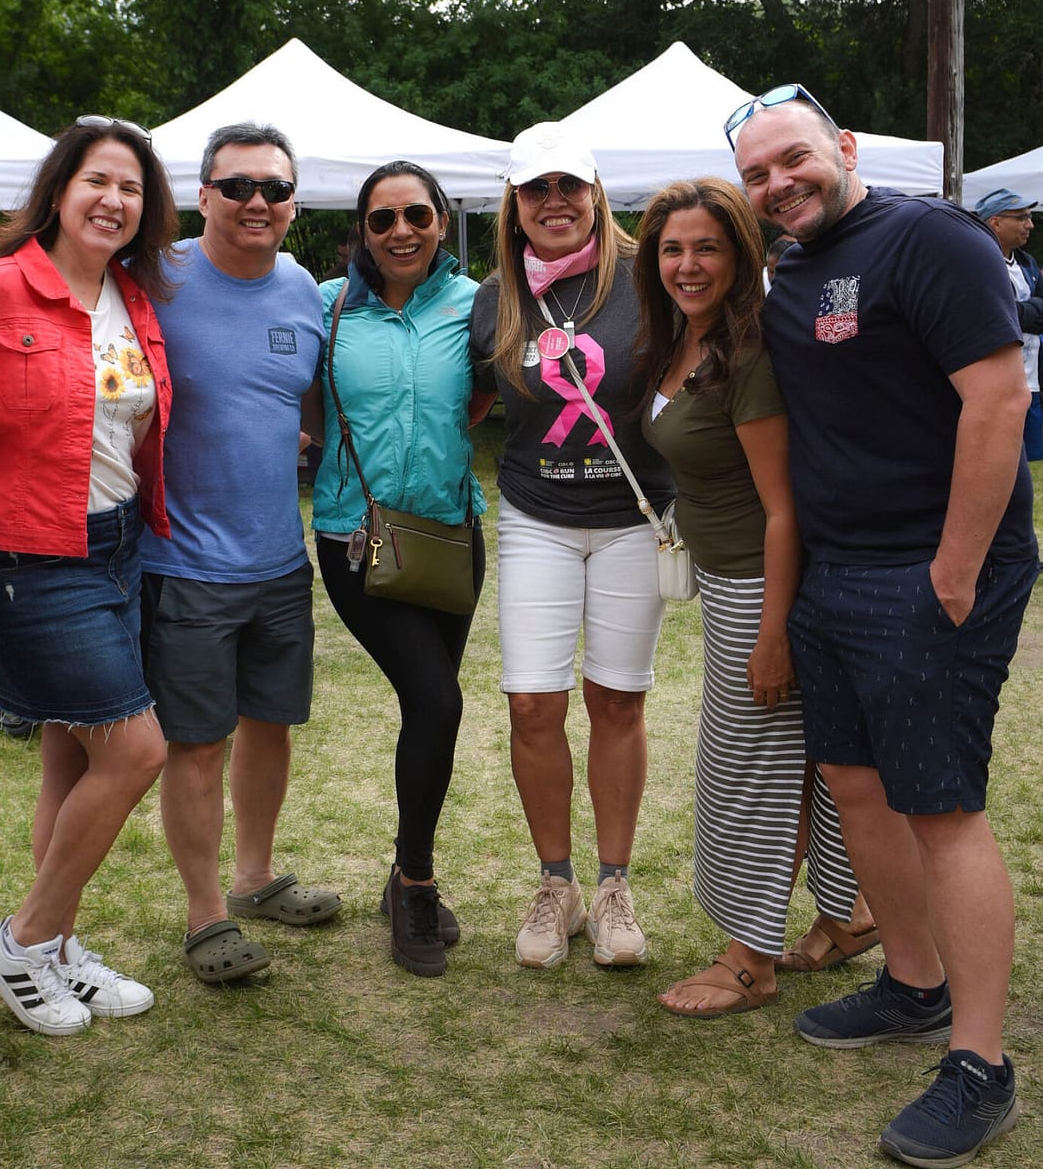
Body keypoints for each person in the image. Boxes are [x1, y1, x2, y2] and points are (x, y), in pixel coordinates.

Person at [730, 84, 1038, 1169]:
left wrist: (953, 570)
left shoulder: (930, 238)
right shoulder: (791, 270)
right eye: (758, 174)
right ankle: (912, 982)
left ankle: (981, 1065)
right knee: (856, 784)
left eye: (793, 159)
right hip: (835, 571)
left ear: (845, 147)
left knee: (941, 807)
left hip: (929, 570)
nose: (779, 183)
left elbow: (998, 399)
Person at [0, 118, 174, 1036]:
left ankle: (60, 948)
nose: (113, 200)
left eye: (132, 188)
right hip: (29, 556)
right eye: (97, 181)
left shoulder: (133, 298)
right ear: (59, 190)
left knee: (71, 757)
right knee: (137, 750)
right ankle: (24, 939)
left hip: (118, 546)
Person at [633, 178, 863, 1016]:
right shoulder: (687, 340)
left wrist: (773, 635)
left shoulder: (748, 352)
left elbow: (782, 508)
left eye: (708, 247)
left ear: (742, 254)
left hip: (764, 587)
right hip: (734, 581)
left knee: (751, 772)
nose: (688, 265)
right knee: (799, 764)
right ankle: (851, 914)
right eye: (672, 249)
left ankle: (749, 961)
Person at [469, 119, 672, 972]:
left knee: (617, 701)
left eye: (568, 185)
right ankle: (558, 885)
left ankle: (615, 885)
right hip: (536, 515)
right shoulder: (496, 296)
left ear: (595, 193)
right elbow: (468, 402)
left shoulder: (648, 277)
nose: (554, 201)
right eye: (535, 189)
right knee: (532, 703)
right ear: (514, 204)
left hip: (633, 518)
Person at [142, 123, 339, 983]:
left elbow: (309, 402)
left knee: (271, 724)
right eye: (238, 186)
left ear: (293, 203)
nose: (257, 202)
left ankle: (256, 878)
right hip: (183, 564)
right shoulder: (155, 277)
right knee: (196, 743)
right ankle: (205, 916)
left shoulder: (303, 290)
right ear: (202, 194)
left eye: (275, 188)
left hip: (278, 562)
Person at [310, 161, 486, 977]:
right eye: (382, 219)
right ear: (363, 231)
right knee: (437, 699)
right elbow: (297, 399)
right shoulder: (326, 305)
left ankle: (403, 872)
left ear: (442, 221)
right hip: (357, 538)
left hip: (450, 537)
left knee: (431, 712)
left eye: (416, 214)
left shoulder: (477, 303)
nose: (401, 231)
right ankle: (415, 882)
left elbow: (490, 392)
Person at [973, 189, 1042, 464]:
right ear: (996, 222)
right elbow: (996, 314)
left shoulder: (1028, 263)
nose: (1030, 224)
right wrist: (1027, 310)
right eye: (1022, 218)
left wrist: (1022, 311)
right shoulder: (977, 261)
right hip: (998, 380)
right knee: (1002, 457)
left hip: (1032, 378)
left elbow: (1016, 312)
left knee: (1031, 459)